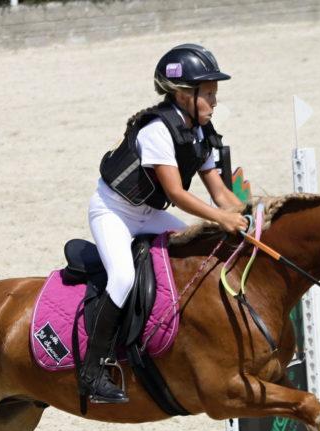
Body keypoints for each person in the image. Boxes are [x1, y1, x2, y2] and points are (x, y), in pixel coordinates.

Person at [84, 43, 248, 404]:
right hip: (114, 212)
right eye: (209, 94)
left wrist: (249, 215)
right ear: (184, 94)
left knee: (199, 252)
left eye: (215, 94)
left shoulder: (201, 131)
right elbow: (176, 193)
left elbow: (221, 193)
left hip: (148, 212)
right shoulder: (157, 131)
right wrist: (222, 218)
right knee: (123, 278)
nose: (214, 102)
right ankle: (93, 372)